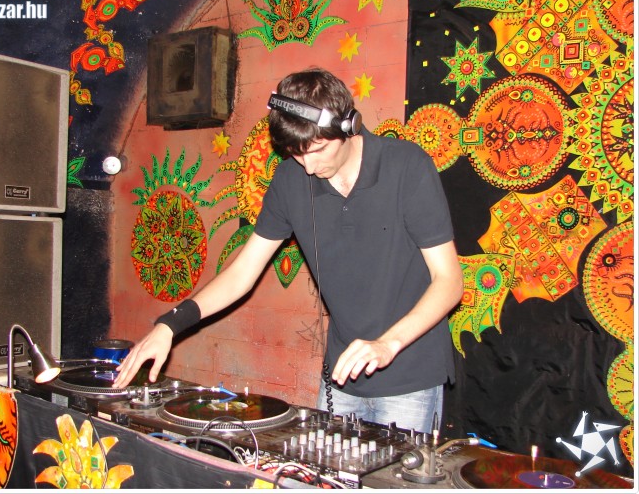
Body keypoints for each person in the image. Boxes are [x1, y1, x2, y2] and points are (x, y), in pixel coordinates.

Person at [113, 67, 464, 434]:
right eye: (297, 154)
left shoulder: (406, 166)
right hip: (342, 376)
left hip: (410, 374)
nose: (309, 166)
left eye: (319, 149)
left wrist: (387, 345)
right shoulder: (289, 180)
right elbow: (242, 273)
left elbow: (449, 281)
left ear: (349, 126)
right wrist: (171, 324)